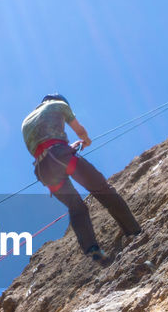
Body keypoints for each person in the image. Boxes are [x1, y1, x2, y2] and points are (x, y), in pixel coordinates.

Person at [22, 93, 141, 262]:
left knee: (76, 207)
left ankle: (93, 250)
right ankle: (134, 232)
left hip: (44, 170)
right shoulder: (59, 104)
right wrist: (85, 140)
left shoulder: (26, 122)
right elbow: (79, 130)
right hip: (62, 157)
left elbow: (45, 145)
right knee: (102, 189)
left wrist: (65, 147)